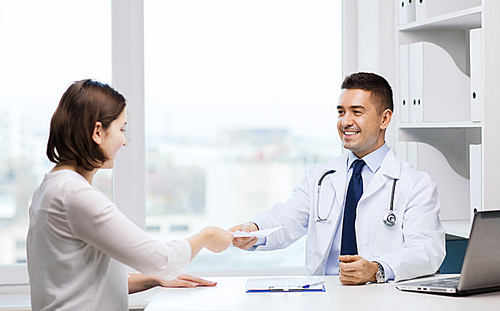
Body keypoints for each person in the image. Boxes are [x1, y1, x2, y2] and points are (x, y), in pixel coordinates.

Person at [26, 80, 233, 311]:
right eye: (121, 129)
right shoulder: (75, 195)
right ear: (97, 132)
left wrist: (153, 279)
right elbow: (163, 260)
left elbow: (77, 283)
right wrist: (206, 236)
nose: (124, 141)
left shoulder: (49, 189)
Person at [231, 72, 445, 285]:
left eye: (357, 112)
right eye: (341, 112)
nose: (345, 121)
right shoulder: (320, 177)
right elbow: (288, 218)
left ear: (385, 119)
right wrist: (254, 229)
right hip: (324, 294)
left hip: (382, 296)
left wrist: (377, 269)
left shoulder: (415, 184)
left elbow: (426, 249)